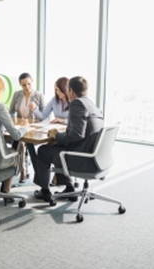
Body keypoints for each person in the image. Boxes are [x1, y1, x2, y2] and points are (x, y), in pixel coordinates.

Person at [33, 76, 104, 205]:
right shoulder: (91, 104)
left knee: (43, 150)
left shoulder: (77, 103)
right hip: (93, 155)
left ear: (70, 91)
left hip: (81, 158)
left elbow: (76, 135)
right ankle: (69, 188)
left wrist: (57, 136)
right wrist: (59, 137)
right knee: (56, 147)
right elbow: (80, 133)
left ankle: (45, 191)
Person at [9, 73, 45, 182]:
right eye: (24, 85)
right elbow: (10, 112)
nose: (27, 87)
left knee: (28, 144)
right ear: (20, 85)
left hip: (33, 129)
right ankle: (18, 170)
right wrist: (15, 121)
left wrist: (35, 110)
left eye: (29, 84)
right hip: (19, 127)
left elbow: (44, 117)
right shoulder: (17, 95)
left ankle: (36, 174)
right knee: (16, 143)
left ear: (32, 82)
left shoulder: (39, 95)